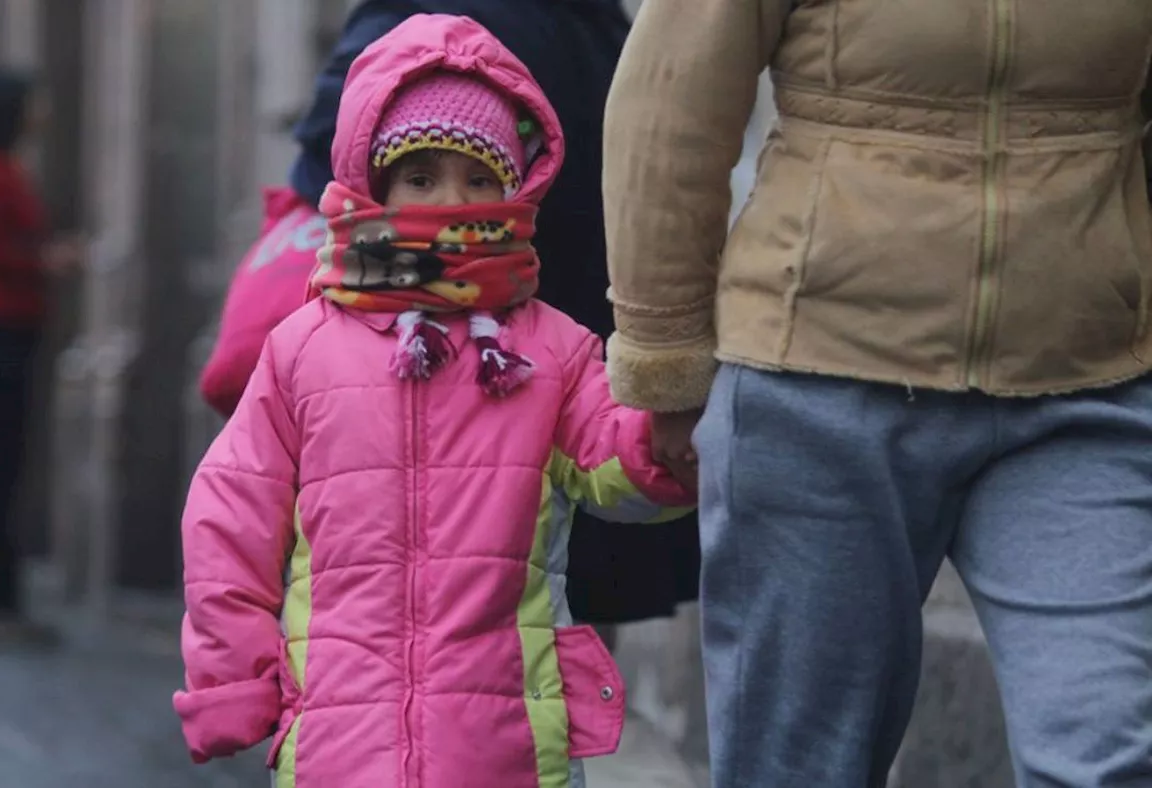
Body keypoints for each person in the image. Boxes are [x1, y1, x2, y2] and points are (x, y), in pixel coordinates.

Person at [602, 2, 1152, 787]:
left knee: (1112, 756)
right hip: (819, 383)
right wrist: (665, 352)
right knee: (798, 767)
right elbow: (671, 104)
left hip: (1084, 386)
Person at [174, 15, 693, 786]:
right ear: (373, 187)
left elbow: (617, 462)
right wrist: (232, 680)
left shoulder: (551, 351)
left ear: (519, 188)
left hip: (507, 750)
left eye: (480, 178)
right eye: (421, 178)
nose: (451, 202)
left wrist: (668, 429)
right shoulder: (306, 350)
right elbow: (230, 519)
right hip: (340, 751)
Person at [0, 67, 81, 646]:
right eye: (33, 101)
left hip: (12, 328)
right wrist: (45, 261)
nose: (43, 109)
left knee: (4, 465)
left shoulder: (4, 167)